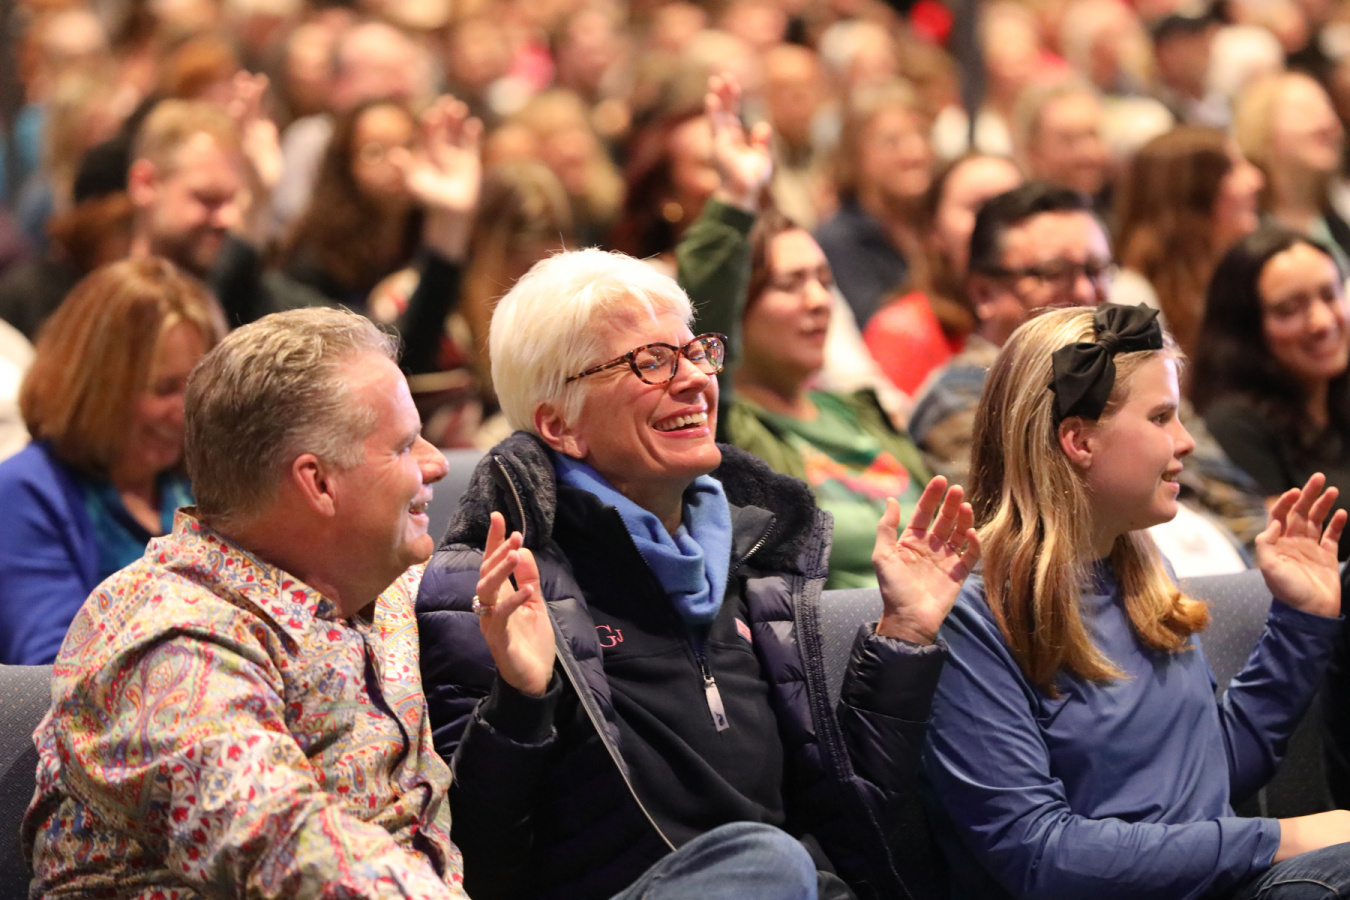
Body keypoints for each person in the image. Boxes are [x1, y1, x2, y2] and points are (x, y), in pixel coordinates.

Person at [22, 306, 815, 899]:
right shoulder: (169, 636)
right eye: (405, 444)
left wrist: (522, 698)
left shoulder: (391, 594)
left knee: (757, 864)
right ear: (317, 483)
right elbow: (283, 849)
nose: (439, 464)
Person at [414, 236, 982, 899]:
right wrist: (519, 701)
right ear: (560, 425)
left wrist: (904, 634)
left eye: (694, 352)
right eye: (651, 362)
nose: (694, 379)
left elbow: (852, 810)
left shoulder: (759, 557)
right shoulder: (493, 584)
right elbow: (478, 862)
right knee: (770, 861)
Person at [921, 302, 1350, 899]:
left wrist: (1302, 622)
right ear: (1079, 440)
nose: (1186, 442)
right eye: (1161, 417)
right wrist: (1277, 839)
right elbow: (1039, 855)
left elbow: (1206, 777)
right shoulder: (975, 617)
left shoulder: (1143, 573)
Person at [910, 182, 1269, 565]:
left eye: (1097, 270)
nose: (1084, 292)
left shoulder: (1139, 370)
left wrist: (1268, 562)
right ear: (984, 292)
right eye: (1053, 272)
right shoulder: (961, 395)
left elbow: (1235, 502)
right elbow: (1017, 534)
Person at [0, 257, 222, 665]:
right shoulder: (22, 492)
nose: (185, 412)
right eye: (164, 388)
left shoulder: (196, 484)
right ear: (94, 386)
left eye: (197, 388)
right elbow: (54, 668)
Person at [1193, 226, 1350, 558]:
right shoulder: (1234, 422)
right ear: (1246, 328)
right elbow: (1285, 552)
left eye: (1330, 295)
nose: (1322, 322)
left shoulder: (1339, 397)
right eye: (1289, 309)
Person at [863, 154, 1023, 396]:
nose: (998, 226)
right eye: (979, 208)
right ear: (933, 229)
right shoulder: (902, 332)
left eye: (1013, 208)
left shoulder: (1056, 310)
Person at [1113, 126, 1264, 359]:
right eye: (1232, 169)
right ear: (1191, 194)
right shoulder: (1132, 299)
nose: (1256, 179)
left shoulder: (1238, 278)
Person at [815, 80, 934, 328]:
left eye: (922, 135)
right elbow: (875, 328)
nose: (917, 152)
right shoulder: (837, 242)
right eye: (892, 141)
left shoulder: (938, 225)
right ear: (855, 155)